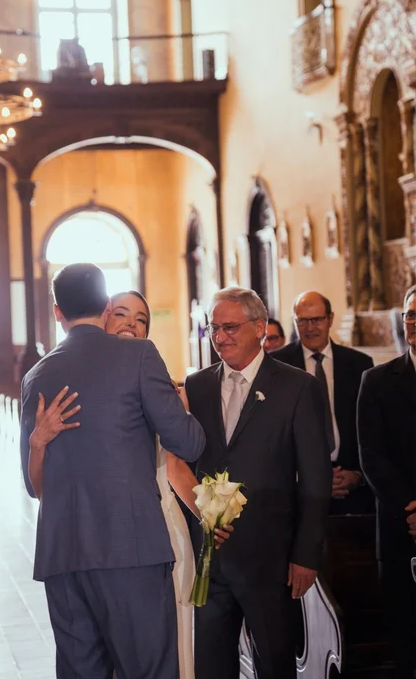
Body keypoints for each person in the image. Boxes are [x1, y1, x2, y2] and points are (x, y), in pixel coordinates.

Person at [31, 289, 231, 679]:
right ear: (103, 315)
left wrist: (212, 515)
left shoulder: (160, 381)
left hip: (153, 530)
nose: (130, 324)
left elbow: (176, 467)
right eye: (121, 314)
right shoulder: (80, 380)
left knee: (158, 650)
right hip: (103, 542)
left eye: (141, 319)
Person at [185, 287, 332, 679]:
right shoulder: (196, 386)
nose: (220, 337)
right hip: (212, 558)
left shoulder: (297, 386)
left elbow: (316, 478)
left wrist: (306, 554)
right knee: (211, 665)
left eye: (230, 327)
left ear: (260, 327)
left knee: (275, 662)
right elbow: (187, 464)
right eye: (214, 328)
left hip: (271, 559)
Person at [357, 284, 416, 679]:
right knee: (407, 638)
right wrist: (411, 509)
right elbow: (371, 456)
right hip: (400, 528)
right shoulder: (376, 381)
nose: (414, 322)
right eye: (410, 315)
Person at [273, 291, 374, 514]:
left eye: (317, 320)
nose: (310, 328)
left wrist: (358, 475)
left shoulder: (360, 364)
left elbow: (371, 428)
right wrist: (305, 479)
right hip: (296, 494)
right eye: (302, 321)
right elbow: (274, 432)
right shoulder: (276, 365)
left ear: (330, 319)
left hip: (351, 487)